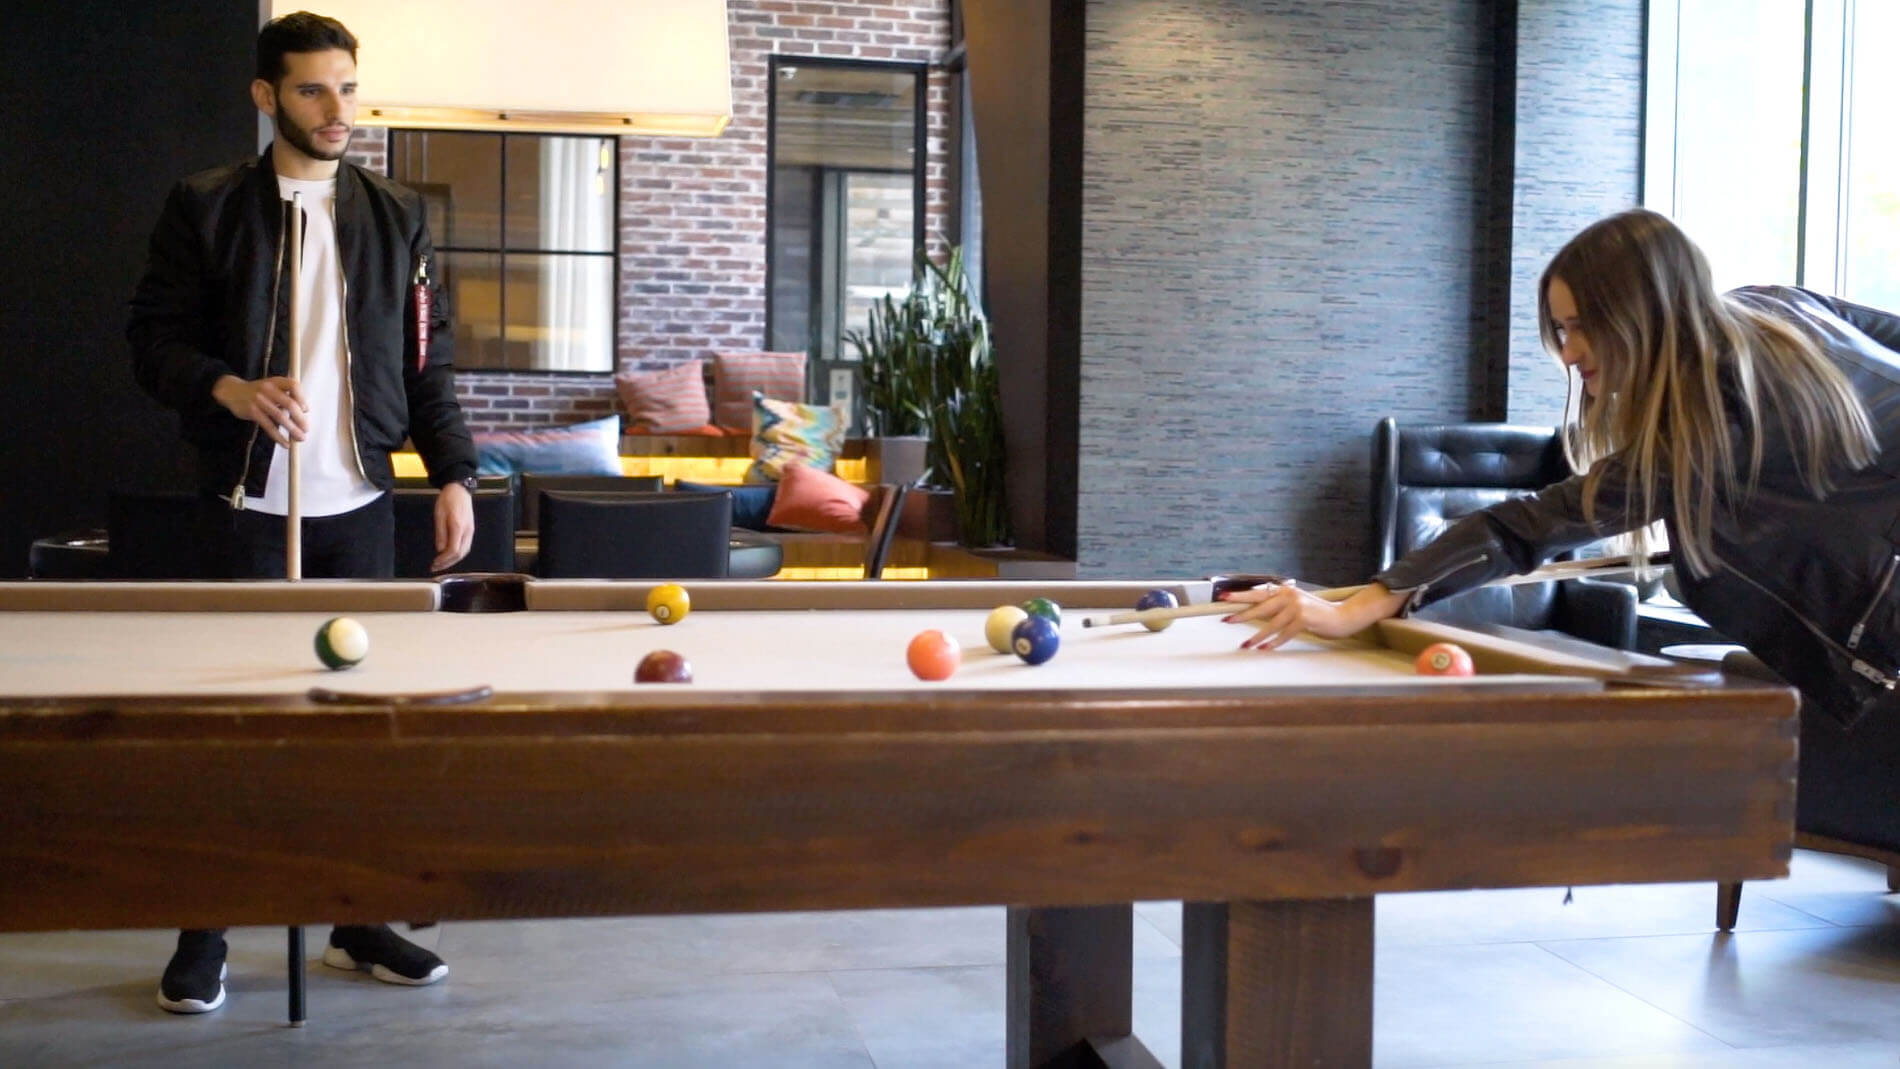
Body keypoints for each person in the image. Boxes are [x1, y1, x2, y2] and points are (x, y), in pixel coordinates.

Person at [1223, 208, 1900, 731]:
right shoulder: (1775, 307)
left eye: (1581, 326)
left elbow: (1537, 523)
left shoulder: (1716, 414)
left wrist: (1364, 603)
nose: (1569, 351)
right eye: (1562, 329)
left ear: (1640, 313)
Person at [127, 11, 475, 1013]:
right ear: (266, 96)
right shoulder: (205, 209)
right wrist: (232, 388)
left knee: (354, 734)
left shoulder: (395, 214)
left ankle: (355, 919)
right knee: (231, 727)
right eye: (316, 90)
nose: (339, 111)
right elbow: (151, 344)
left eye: (349, 89)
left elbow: (425, 362)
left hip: (358, 507)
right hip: (244, 506)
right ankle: (207, 927)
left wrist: (452, 472)